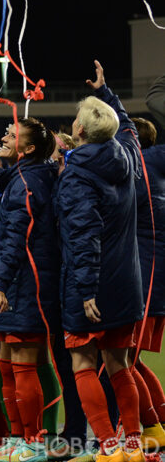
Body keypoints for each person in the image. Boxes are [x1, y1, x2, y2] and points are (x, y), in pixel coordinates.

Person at [54, 61, 144, 462]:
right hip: (127, 281)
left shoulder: (76, 174)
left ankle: (108, 446)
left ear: (81, 130)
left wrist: (86, 288)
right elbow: (129, 129)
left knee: (82, 363)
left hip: (91, 283)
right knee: (120, 364)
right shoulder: (125, 155)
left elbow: (83, 234)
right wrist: (108, 95)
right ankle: (133, 444)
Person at [0, 117, 63, 462]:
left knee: (22, 362)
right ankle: (19, 438)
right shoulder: (24, 176)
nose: (3, 135)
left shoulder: (27, 181)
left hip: (25, 281)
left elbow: (16, 238)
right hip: (21, 279)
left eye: (12, 135)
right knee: (6, 362)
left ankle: (34, 441)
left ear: (28, 149)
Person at [128, 117, 165, 449]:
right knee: (130, 359)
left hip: (146, 282)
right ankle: (159, 424)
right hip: (150, 280)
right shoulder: (150, 174)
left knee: (122, 359)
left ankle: (152, 427)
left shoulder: (142, 173)